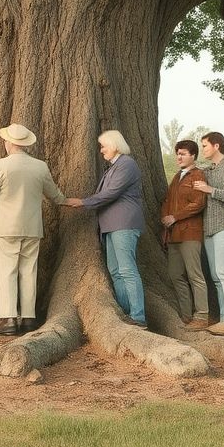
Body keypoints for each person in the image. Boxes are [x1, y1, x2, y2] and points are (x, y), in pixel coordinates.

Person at [0, 123, 69, 335]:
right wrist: (66, 201)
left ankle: (8, 319)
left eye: (5, 140)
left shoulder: (1, 165)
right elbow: (55, 194)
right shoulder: (40, 166)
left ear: (10, 143)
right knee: (28, 272)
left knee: (7, 272)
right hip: (32, 227)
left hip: (7, 228)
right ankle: (29, 319)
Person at [74, 130, 146, 328]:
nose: (101, 150)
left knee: (127, 270)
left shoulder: (127, 164)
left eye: (103, 146)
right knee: (115, 271)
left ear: (114, 145)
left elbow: (111, 193)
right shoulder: (113, 167)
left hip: (124, 224)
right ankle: (126, 313)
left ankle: (138, 316)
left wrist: (82, 202)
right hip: (110, 226)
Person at [192, 131, 224, 336]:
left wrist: (209, 189)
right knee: (215, 275)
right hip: (209, 228)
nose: (202, 149)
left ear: (216, 146)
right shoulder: (207, 169)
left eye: (204, 145)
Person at [161, 140, 209, 329]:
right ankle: (186, 315)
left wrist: (175, 216)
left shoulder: (197, 175)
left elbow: (198, 203)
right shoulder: (176, 177)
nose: (179, 157)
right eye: (177, 154)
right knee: (175, 275)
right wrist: (165, 217)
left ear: (193, 156)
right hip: (174, 235)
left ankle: (202, 316)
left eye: (183, 154)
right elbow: (166, 200)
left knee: (195, 275)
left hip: (190, 233)